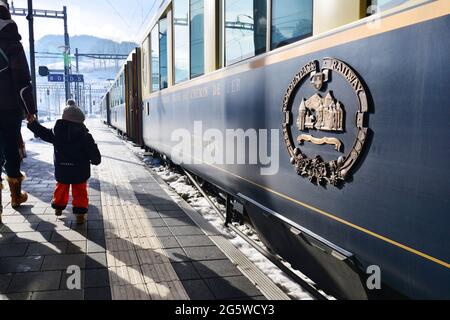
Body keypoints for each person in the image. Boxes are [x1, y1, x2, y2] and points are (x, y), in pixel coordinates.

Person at [27, 101, 101, 224]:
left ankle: (58, 208)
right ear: (80, 121)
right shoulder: (86, 136)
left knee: (61, 188)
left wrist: (33, 123)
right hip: (80, 171)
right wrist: (95, 160)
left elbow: (43, 133)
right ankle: (80, 214)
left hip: (62, 170)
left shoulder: (56, 133)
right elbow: (93, 153)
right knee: (80, 191)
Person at [0, 0, 36, 219]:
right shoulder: (12, 43)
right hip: (9, 109)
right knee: (11, 150)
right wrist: (29, 110)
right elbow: (22, 81)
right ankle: (15, 196)